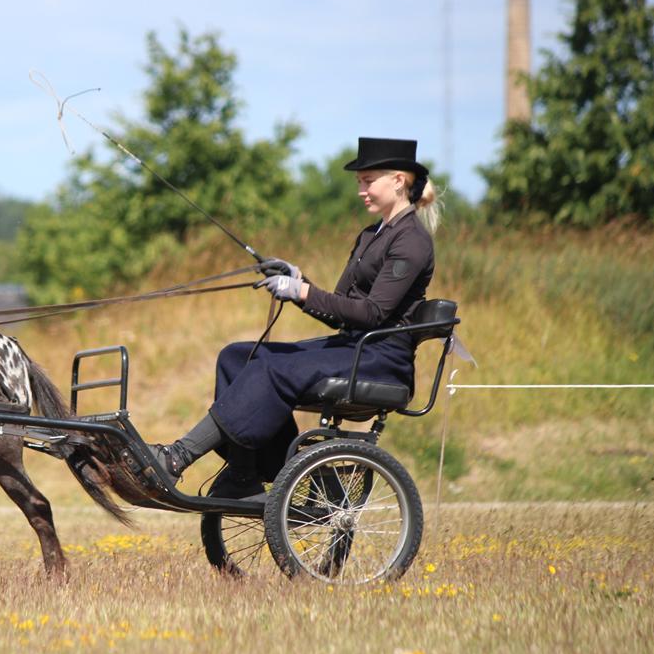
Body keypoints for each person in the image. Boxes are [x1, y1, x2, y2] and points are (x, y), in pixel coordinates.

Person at [154, 137, 442, 497]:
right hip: (352, 347)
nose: (361, 191)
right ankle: (246, 473)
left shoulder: (411, 240)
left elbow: (372, 313)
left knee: (272, 368)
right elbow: (341, 308)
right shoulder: (371, 235)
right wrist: (298, 279)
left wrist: (300, 291)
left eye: (368, 181)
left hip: (380, 359)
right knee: (237, 356)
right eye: (360, 183)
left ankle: (178, 456)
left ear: (399, 180)